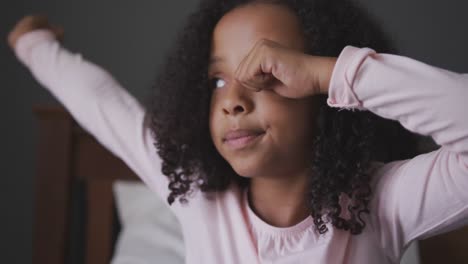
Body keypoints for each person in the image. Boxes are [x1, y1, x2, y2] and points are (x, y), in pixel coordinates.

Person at [8, 0, 468, 263]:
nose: (232, 100)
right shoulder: (196, 197)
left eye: (267, 73)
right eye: (217, 81)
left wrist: (334, 74)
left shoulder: (382, 203)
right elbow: (105, 106)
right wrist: (34, 45)